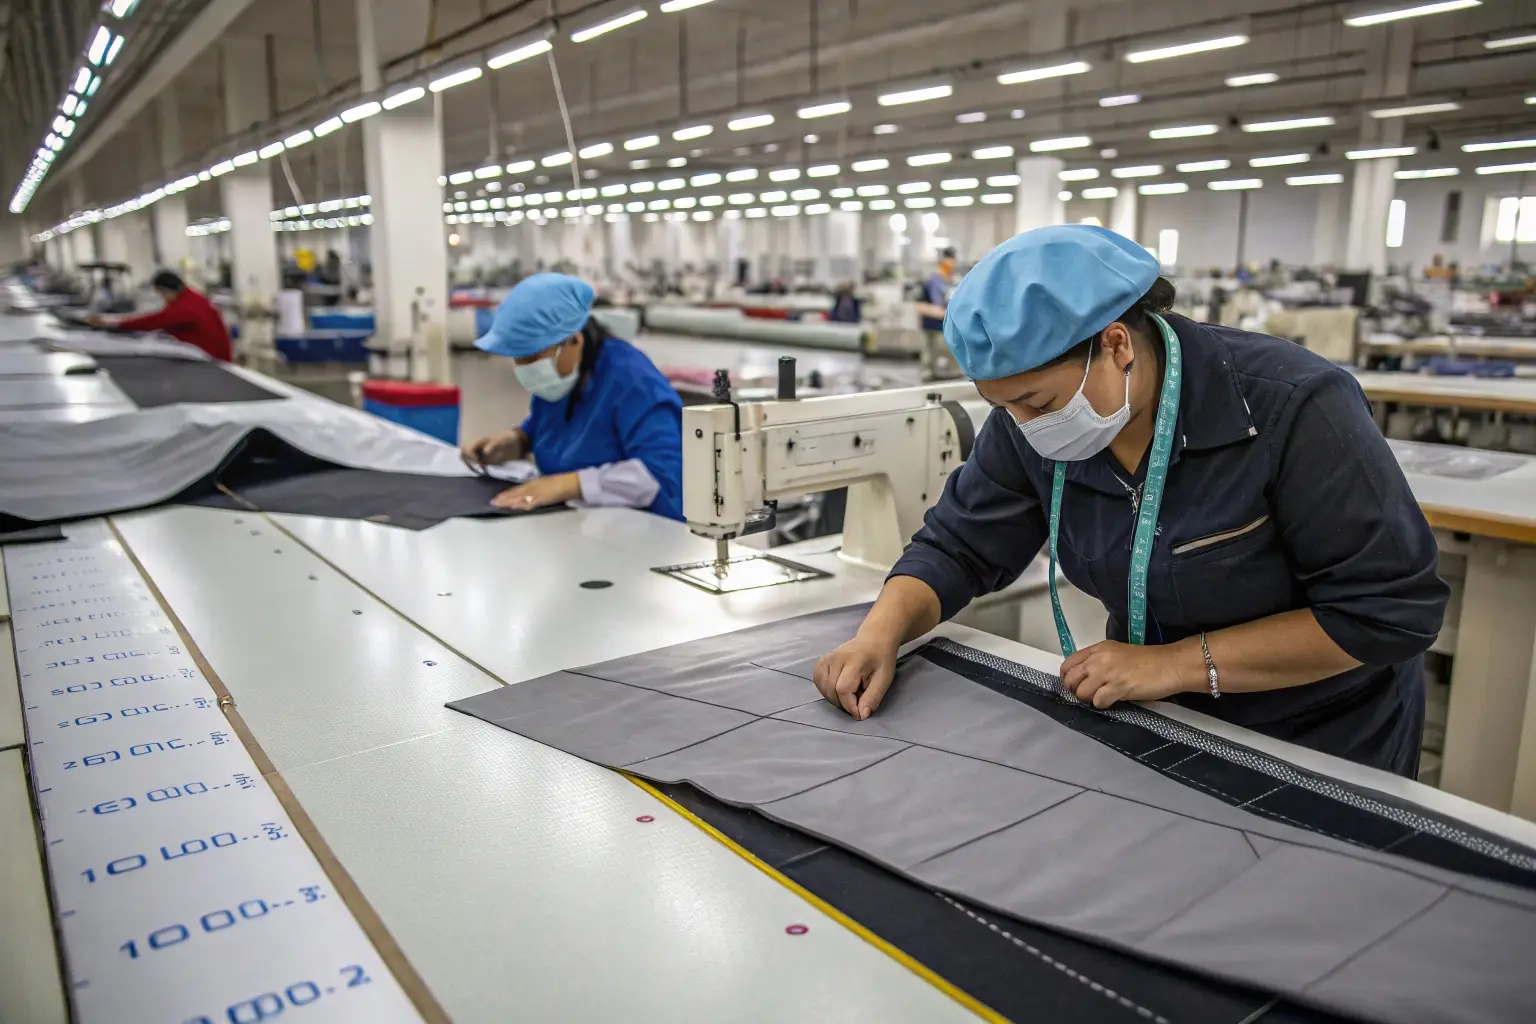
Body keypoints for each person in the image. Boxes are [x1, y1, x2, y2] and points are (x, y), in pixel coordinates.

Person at [813, 225, 1447, 777]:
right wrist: (879, 635)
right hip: (1156, 716)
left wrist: (1174, 665)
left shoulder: (1294, 407)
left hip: (1318, 736)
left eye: (1038, 402)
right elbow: (958, 545)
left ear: (1116, 345)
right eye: (1005, 407)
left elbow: (1387, 612)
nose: (1024, 425)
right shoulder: (1031, 420)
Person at [461, 273, 684, 520]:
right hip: (581, 524)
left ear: (573, 341)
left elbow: (661, 472)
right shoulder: (563, 380)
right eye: (516, 358)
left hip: (648, 531)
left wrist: (569, 484)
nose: (522, 367)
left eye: (529, 357)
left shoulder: (633, 381)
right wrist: (518, 440)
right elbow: (551, 425)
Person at [88, 270, 233, 361]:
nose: (163, 298)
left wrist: (114, 323)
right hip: (218, 353)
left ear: (166, 290)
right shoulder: (193, 297)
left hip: (210, 357)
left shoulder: (186, 307)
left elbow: (154, 321)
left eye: (162, 294)